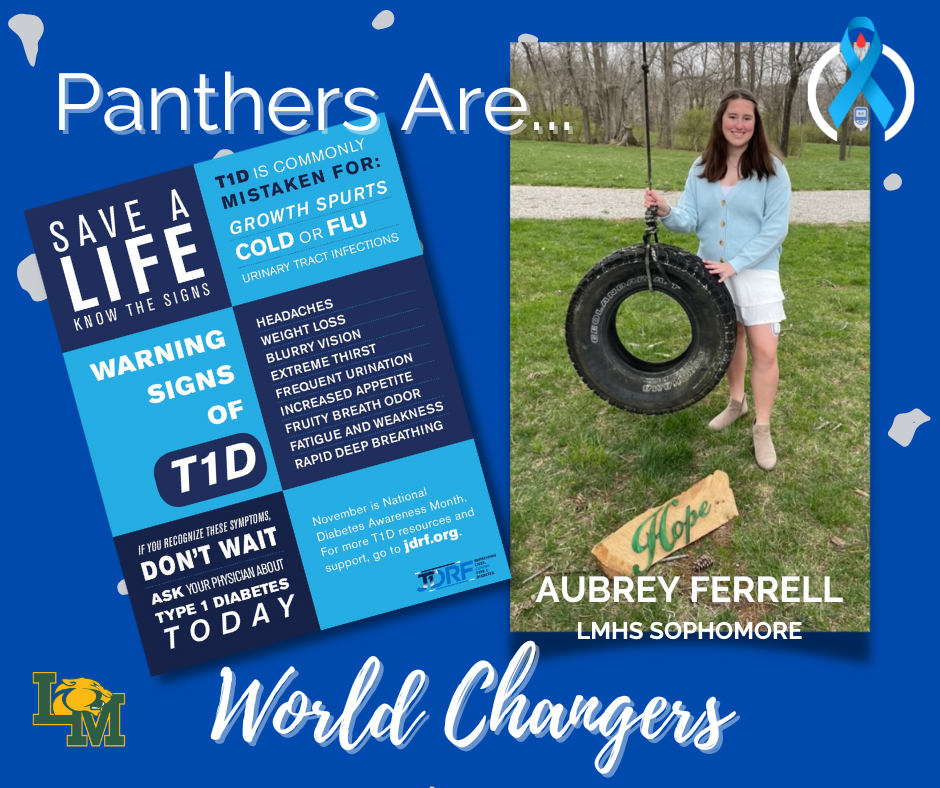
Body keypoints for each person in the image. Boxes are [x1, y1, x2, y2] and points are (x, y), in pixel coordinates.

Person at [644, 88, 791, 471]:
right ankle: (736, 403)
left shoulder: (772, 169)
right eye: (732, 117)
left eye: (747, 118)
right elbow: (690, 220)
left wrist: (737, 263)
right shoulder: (700, 167)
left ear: (756, 124)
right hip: (712, 270)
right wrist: (665, 209)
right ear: (720, 121)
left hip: (755, 270)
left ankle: (762, 427)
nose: (739, 124)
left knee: (765, 350)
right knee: (732, 340)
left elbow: (775, 230)